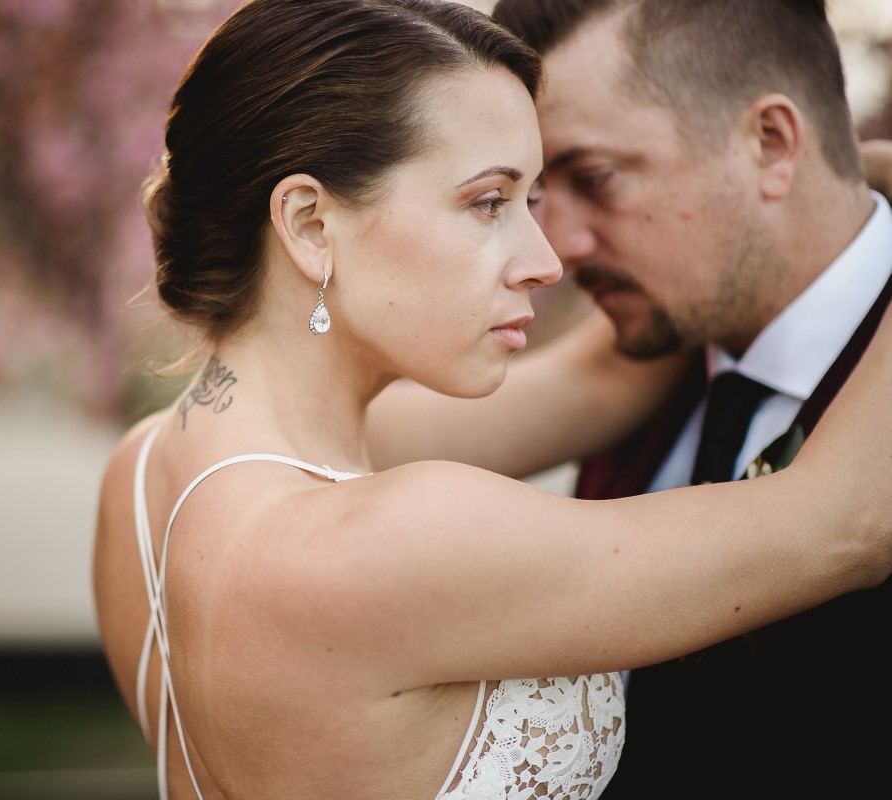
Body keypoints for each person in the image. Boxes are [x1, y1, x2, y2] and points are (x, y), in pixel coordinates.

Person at [92, 2, 892, 798]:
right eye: (487, 202)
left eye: (534, 198)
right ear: (307, 224)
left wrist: (848, 180)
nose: (548, 261)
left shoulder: (143, 480)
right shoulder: (404, 532)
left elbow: (603, 376)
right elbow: (841, 521)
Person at [367, 0, 892, 796]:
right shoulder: (633, 369)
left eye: (595, 178)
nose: (557, 249)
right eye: (541, 192)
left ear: (771, 144)